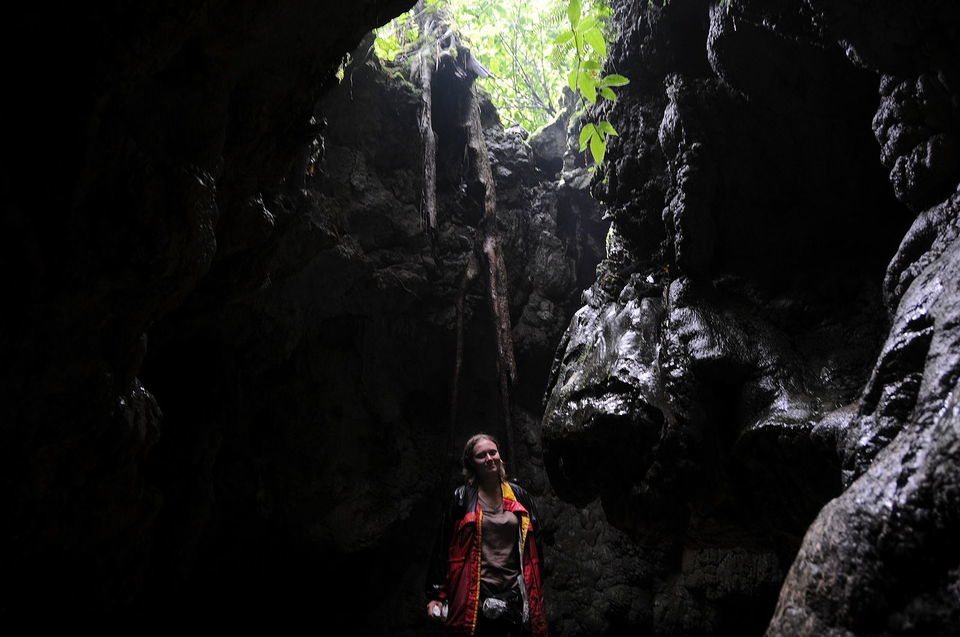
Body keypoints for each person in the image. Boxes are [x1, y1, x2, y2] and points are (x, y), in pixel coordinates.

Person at [425, 433, 548, 636]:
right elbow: (443, 546)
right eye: (482, 455)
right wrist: (437, 594)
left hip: (515, 590)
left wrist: (535, 587)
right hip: (477, 590)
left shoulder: (519, 495)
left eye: (493, 452)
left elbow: (535, 547)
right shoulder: (462, 498)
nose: (489, 458)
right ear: (471, 463)